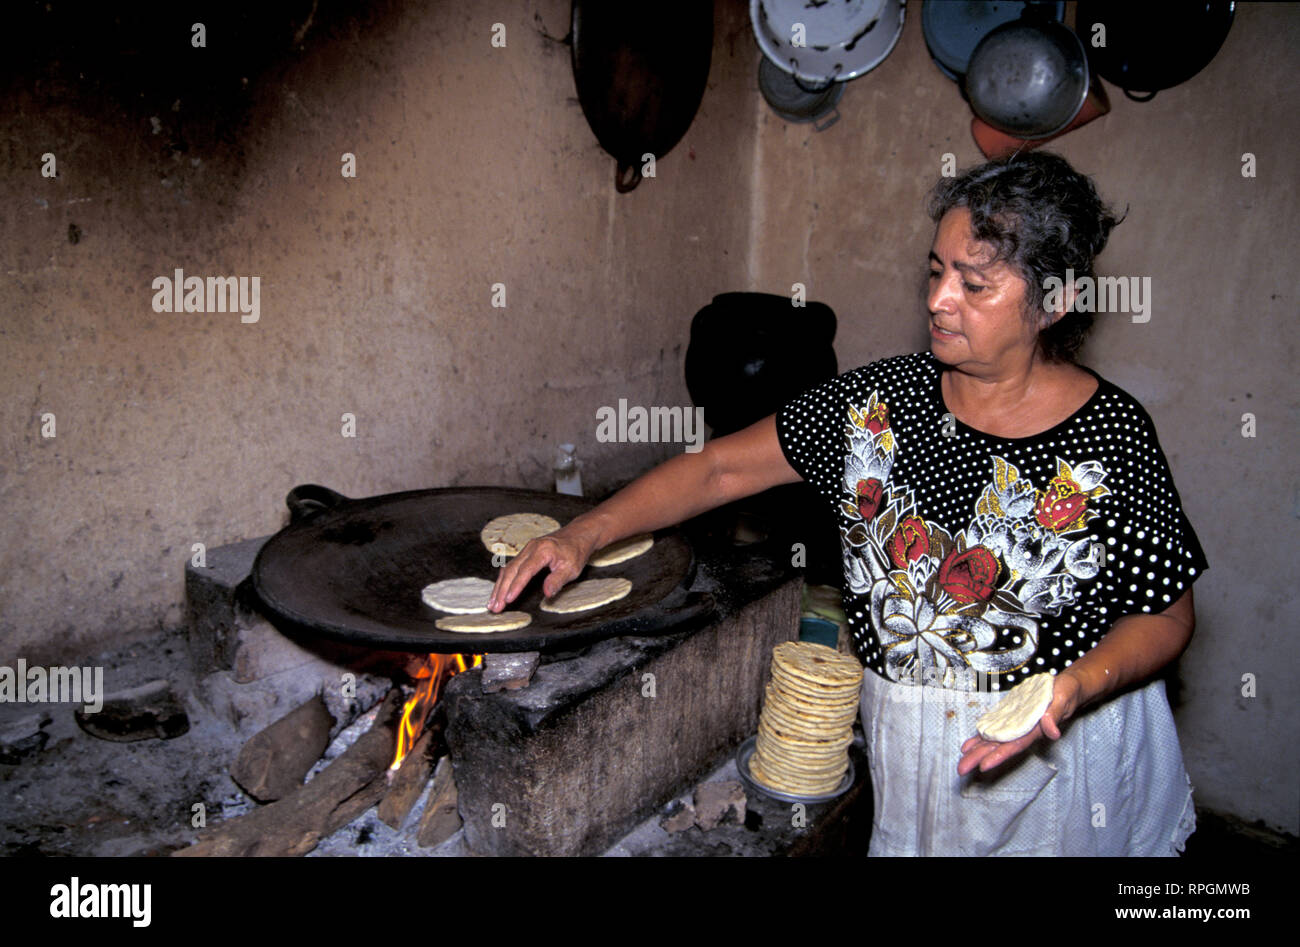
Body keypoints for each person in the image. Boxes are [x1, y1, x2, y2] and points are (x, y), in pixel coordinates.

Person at [489, 151, 1207, 856]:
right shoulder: (877, 407)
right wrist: (584, 532)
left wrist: (1078, 685)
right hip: (915, 751)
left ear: (1055, 300)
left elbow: (1168, 614)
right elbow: (716, 469)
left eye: (975, 284)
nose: (937, 300)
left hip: (1064, 768)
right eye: (935, 271)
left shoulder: (1111, 437)